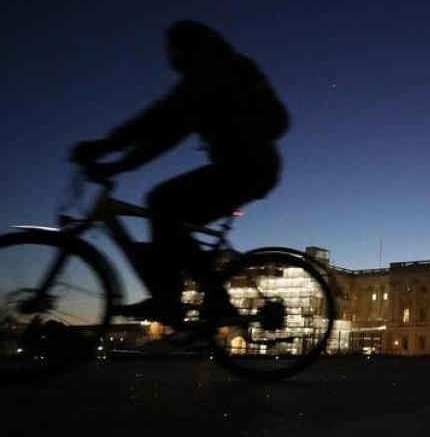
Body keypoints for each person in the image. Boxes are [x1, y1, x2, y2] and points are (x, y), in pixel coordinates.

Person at [72, 20, 288, 324]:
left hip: (248, 168)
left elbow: (161, 125)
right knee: (173, 220)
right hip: (250, 167)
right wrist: (116, 155)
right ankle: (195, 298)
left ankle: (182, 300)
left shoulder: (209, 76)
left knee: (163, 202)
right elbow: (163, 125)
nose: (168, 54)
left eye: (171, 47)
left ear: (188, 47)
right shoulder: (215, 71)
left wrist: (110, 152)